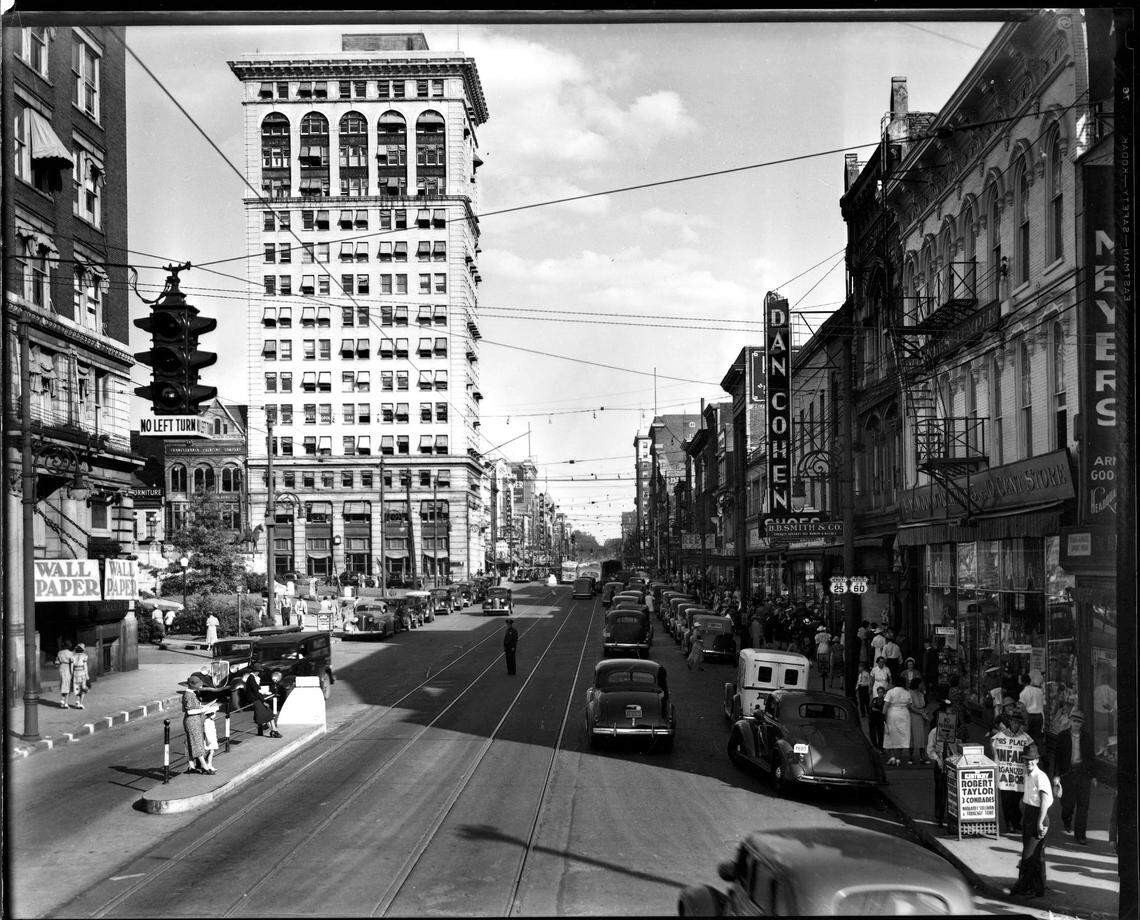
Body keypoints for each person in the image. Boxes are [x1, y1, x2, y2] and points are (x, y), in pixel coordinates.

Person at [1010, 742, 1053, 899]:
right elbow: (1027, 797)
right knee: (1035, 855)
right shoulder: (1027, 774)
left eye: (1031, 760)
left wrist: (1040, 822)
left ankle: (1021, 887)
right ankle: (1037, 888)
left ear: (1037, 760)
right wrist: (1023, 807)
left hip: (1038, 817)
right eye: (1026, 760)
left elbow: (1045, 801)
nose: (1028, 763)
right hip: (1029, 815)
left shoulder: (1040, 776)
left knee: (1029, 855)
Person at [987, 707, 1032, 834]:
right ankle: (1009, 823)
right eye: (1013, 722)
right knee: (1006, 801)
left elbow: (1032, 750)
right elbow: (992, 747)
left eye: (1017, 722)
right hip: (1004, 775)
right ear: (1010, 722)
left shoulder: (1025, 738)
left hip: (1018, 776)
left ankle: (1016, 820)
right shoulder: (999, 736)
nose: (1015, 724)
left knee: (1017, 800)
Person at [1053, 708, 1096, 844]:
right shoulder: (1062, 736)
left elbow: (1091, 758)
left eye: (1079, 722)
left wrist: (1093, 776)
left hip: (1083, 774)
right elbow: (1057, 758)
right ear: (1070, 721)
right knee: (1068, 804)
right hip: (1068, 774)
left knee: (1083, 806)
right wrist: (1056, 776)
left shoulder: (1087, 737)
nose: (1076, 724)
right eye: (1074, 721)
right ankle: (1066, 819)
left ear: (1082, 724)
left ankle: (1080, 836)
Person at [181, 676, 215, 774]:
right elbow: (189, 711)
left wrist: (203, 706)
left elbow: (186, 709)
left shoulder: (190, 693)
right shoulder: (189, 695)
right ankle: (204, 766)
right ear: (193, 685)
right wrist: (204, 709)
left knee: (192, 742)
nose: (200, 686)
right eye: (198, 684)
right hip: (192, 721)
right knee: (197, 742)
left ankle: (191, 765)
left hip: (194, 720)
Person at [883, 675, 912, 767]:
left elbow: (885, 706)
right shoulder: (907, 693)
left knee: (891, 734)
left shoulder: (890, 692)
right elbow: (909, 705)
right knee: (902, 735)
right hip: (904, 714)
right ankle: (898, 758)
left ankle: (892, 757)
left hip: (892, 713)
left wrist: (883, 715)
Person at [245, 671, 282, 738]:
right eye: (258, 671)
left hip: (256, 699)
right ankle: (274, 731)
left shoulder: (253, 677)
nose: (259, 673)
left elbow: (256, 691)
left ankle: (274, 731)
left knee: (268, 714)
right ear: (256, 671)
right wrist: (263, 701)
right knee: (267, 714)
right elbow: (256, 691)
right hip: (255, 699)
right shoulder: (251, 678)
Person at [1019, 671, 1046, 743]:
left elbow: (1022, 708)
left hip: (1029, 716)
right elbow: (1044, 704)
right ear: (1030, 681)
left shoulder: (1023, 693)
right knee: (1038, 737)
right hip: (1039, 716)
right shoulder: (1039, 691)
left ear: (1022, 682)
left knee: (1028, 737)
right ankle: (1039, 752)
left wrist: (1025, 720)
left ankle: (1030, 752)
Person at [907, 677, 928, 764]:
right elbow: (910, 706)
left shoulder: (921, 693)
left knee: (922, 736)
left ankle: (922, 755)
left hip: (921, 715)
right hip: (913, 716)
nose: (922, 685)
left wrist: (925, 712)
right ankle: (911, 756)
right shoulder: (910, 693)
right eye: (920, 684)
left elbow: (924, 704)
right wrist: (921, 712)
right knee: (912, 736)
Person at [55, 640, 76, 709]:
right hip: (68, 668)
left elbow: (57, 662)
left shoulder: (59, 653)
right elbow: (72, 663)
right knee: (67, 685)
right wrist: (72, 672)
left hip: (61, 668)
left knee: (63, 684)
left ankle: (62, 701)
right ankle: (65, 702)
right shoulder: (71, 653)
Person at [201, 698, 220, 772]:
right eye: (214, 714)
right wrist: (209, 740)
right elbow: (206, 731)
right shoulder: (207, 722)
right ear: (211, 714)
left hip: (212, 739)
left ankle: (209, 764)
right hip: (210, 740)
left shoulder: (210, 721)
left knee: (211, 752)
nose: (215, 715)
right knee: (211, 752)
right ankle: (209, 764)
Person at [71, 643, 90, 710]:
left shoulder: (73, 656)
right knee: (83, 688)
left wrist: (72, 674)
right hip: (82, 673)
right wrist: (87, 675)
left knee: (77, 688)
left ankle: (77, 700)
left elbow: (71, 667)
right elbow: (85, 666)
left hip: (76, 673)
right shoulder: (84, 656)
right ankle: (81, 703)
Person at [868, 686, 887, 751]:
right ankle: (875, 746)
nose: (880, 694)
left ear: (884, 693)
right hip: (872, 719)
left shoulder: (885, 701)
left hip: (880, 719)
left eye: (881, 692)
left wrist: (877, 710)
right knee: (872, 734)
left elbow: (883, 711)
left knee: (880, 734)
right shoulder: (874, 699)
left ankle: (881, 747)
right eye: (878, 692)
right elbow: (871, 708)